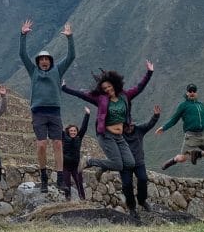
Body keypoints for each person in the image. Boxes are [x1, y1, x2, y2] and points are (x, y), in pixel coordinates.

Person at [62, 61, 154, 220]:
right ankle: (90, 161)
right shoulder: (101, 99)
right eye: (104, 89)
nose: (108, 90)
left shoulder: (125, 96)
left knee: (131, 162)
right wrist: (65, 88)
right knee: (118, 165)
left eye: (109, 87)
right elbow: (82, 94)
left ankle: (103, 166)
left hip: (119, 136)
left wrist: (149, 73)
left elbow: (139, 87)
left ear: (115, 84)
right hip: (105, 135)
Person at [19, 19, 75, 193]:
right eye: (41, 59)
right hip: (38, 112)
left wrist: (69, 38)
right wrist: (23, 36)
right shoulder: (33, 71)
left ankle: (59, 178)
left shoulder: (58, 70)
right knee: (41, 145)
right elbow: (23, 55)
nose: (44, 61)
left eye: (46, 59)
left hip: (55, 112)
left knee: (58, 144)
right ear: (38, 61)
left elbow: (71, 56)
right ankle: (43, 177)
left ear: (50, 60)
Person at [156, 84, 204, 169]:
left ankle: (198, 153)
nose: (192, 93)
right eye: (190, 91)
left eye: (194, 91)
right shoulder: (183, 106)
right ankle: (172, 160)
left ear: (196, 93)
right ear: (187, 93)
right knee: (182, 159)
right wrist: (164, 128)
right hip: (191, 136)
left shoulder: (200, 105)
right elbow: (174, 119)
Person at [124, 104, 160, 210]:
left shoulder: (139, 129)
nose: (129, 128)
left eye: (131, 125)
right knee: (126, 185)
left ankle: (142, 200)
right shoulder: (119, 133)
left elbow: (149, 124)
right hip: (125, 164)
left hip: (139, 162)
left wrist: (156, 116)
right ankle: (131, 208)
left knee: (143, 179)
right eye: (127, 126)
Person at [60, 108, 91, 200]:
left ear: (77, 132)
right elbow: (58, 126)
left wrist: (87, 115)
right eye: (71, 131)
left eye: (74, 131)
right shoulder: (64, 137)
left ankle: (83, 199)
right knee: (67, 183)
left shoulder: (79, 138)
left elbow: (84, 127)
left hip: (75, 166)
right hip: (65, 165)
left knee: (79, 183)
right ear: (68, 131)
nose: (73, 132)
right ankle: (68, 199)